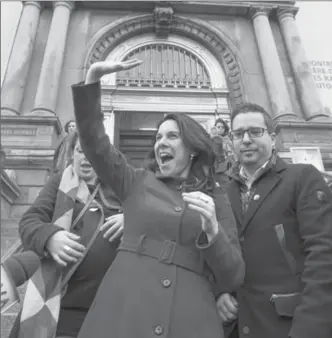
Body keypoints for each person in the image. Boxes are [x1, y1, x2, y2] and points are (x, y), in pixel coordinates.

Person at [71, 59, 245, 338]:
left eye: (172, 136)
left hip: (189, 317)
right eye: (158, 137)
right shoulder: (136, 180)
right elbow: (94, 143)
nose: (161, 142)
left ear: (192, 148)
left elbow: (233, 275)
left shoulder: (216, 198)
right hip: (125, 309)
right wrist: (92, 81)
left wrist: (213, 232)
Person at [217, 103, 332, 338]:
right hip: (238, 325)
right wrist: (219, 292)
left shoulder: (302, 178)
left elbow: (323, 254)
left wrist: (310, 328)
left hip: (290, 324)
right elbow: (218, 251)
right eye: (238, 134)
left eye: (255, 132)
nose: (246, 139)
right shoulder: (223, 192)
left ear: (272, 138)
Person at [10, 131, 124, 338]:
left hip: (104, 311)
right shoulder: (58, 183)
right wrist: (50, 237)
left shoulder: (121, 190)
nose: (86, 157)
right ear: (72, 154)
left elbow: (151, 219)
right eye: (81, 151)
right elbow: (28, 223)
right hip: (57, 306)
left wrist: (131, 219)